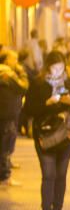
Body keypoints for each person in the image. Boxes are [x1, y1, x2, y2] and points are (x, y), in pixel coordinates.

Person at [24, 51, 70, 210]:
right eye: (54, 67)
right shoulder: (39, 85)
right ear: (48, 67)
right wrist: (47, 104)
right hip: (45, 137)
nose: (57, 70)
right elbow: (29, 109)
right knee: (48, 174)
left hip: (66, 138)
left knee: (60, 174)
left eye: (60, 66)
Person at [0, 50, 29, 186]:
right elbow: (23, 86)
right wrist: (22, 72)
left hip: (6, 113)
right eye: (14, 59)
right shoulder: (7, 73)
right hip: (7, 114)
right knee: (6, 145)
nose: (16, 62)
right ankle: (5, 176)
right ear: (6, 61)